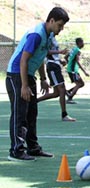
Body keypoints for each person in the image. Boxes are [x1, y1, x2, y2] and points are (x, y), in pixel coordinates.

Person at [5, 7, 69, 161]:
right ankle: (16, 150)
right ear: (51, 20)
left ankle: (32, 148)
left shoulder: (48, 35)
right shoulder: (37, 34)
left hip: (28, 75)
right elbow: (23, 60)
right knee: (20, 113)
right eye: (60, 25)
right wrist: (24, 86)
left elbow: (40, 56)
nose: (61, 29)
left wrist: (43, 78)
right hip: (16, 75)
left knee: (32, 112)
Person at [37, 36, 76, 122]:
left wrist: (59, 60)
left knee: (56, 93)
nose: (60, 29)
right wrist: (60, 52)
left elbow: (53, 55)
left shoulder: (53, 38)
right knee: (62, 89)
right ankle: (64, 114)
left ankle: (34, 102)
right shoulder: (48, 37)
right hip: (52, 66)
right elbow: (45, 52)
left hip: (56, 65)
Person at [66, 37, 89, 104]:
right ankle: (70, 98)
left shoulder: (73, 49)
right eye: (82, 42)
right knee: (79, 84)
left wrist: (69, 63)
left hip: (71, 69)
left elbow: (65, 57)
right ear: (79, 43)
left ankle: (68, 91)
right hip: (73, 70)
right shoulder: (78, 50)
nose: (83, 44)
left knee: (81, 84)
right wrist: (85, 72)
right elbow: (78, 62)